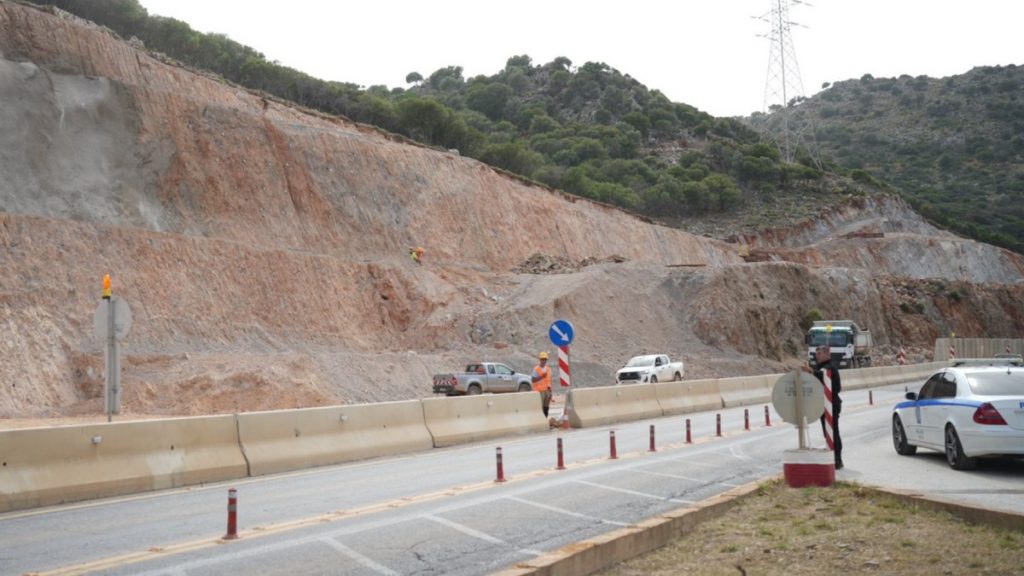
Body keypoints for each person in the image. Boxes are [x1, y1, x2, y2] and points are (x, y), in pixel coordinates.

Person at [804, 344, 843, 469]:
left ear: (827, 354)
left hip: (831, 404)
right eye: (816, 354)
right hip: (823, 405)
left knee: (833, 432)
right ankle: (832, 458)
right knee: (828, 433)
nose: (817, 356)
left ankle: (837, 459)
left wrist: (811, 372)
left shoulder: (830, 367)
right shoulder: (820, 367)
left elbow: (823, 375)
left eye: (819, 353)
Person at [532, 351, 553, 417]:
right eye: (542, 359)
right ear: (540, 359)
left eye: (545, 359)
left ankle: (545, 418)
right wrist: (541, 376)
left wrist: (550, 391)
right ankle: (541, 419)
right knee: (540, 407)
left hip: (547, 390)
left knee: (546, 407)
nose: (544, 361)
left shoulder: (548, 369)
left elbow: (549, 380)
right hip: (539, 391)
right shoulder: (536, 369)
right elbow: (533, 380)